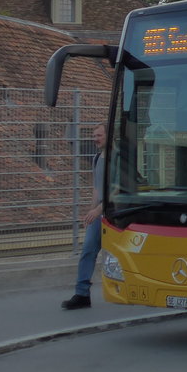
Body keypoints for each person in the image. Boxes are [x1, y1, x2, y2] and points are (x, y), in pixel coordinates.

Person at [62, 123, 105, 310]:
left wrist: (98, 210)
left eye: (99, 135)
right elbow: (97, 188)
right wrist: (91, 212)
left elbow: (118, 190)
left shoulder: (118, 158)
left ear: (108, 136)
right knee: (88, 249)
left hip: (116, 214)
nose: (95, 138)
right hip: (100, 214)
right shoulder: (96, 158)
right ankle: (82, 294)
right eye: (93, 135)